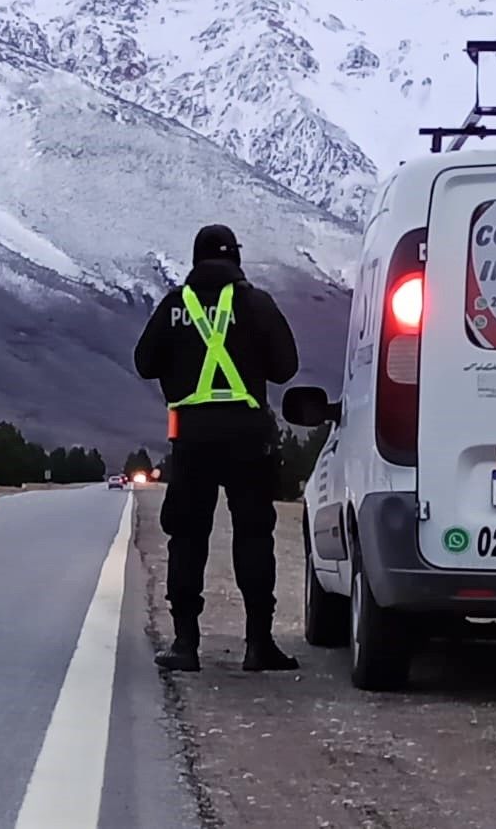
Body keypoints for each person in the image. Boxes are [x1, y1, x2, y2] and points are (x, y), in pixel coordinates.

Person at [134, 225, 301, 673]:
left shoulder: (175, 305)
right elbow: (287, 367)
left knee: (187, 537)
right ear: (236, 260)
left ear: (196, 259)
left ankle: (186, 643)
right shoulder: (257, 304)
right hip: (248, 437)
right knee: (253, 535)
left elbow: (143, 362)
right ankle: (257, 644)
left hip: (192, 439)